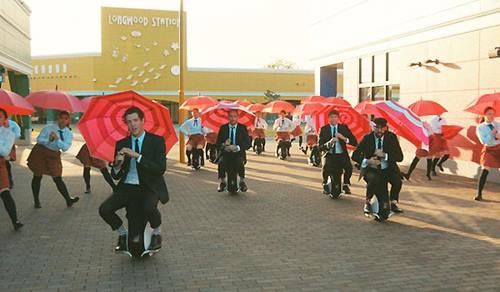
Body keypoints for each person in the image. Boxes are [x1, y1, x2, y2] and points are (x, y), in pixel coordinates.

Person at [99, 106, 169, 253]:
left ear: (143, 121)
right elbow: (116, 175)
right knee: (105, 209)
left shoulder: (156, 141)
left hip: (149, 186)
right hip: (127, 186)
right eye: (129, 122)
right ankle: (122, 234)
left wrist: (138, 156)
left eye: (136, 120)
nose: (133, 125)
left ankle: (156, 232)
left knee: (149, 207)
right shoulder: (121, 143)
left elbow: (160, 169)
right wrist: (117, 164)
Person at [352, 118, 404, 219]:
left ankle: (393, 202)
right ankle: (368, 201)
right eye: (377, 128)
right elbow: (355, 155)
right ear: (373, 127)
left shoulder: (392, 137)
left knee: (397, 181)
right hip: (371, 169)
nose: (379, 131)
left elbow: (400, 157)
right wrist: (368, 161)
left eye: (382, 128)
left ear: (386, 128)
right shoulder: (367, 138)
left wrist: (385, 155)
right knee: (374, 180)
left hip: (388, 168)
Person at [27, 111, 79, 208]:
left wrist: (57, 139)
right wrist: (48, 140)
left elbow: (65, 148)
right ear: (57, 119)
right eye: (61, 118)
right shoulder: (48, 128)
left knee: (57, 178)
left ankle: (68, 200)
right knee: (37, 176)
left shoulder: (68, 133)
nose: (63, 120)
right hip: (40, 152)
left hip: (54, 155)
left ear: (68, 120)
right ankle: (36, 201)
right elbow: (39, 140)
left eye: (66, 118)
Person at [318, 110, 357, 197]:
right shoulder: (324, 129)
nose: (333, 119)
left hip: (341, 154)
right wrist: (330, 143)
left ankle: (346, 184)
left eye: (335, 117)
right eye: (331, 117)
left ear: (338, 118)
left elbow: (354, 142)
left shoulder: (343, 128)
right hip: (329, 154)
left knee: (349, 167)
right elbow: (320, 147)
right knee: (326, 166)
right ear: (328, 118)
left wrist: (343, 138)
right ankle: (324, 183)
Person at [216, 109, 251, 192]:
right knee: (221, 162)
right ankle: (222, 182)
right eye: (231, 116)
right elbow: (218, 143)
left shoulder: (243, 128)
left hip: (238, 153)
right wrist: (224, 145)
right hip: (226, 153)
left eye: (235, 116)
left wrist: (237, 147)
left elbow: (247, 143)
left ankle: (242, 181)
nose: (233, 118)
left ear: (237, 117)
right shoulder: (223, 128)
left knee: (239, 162)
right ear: (228, 117)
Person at [0, 108, 23, 230]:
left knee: (5, 193)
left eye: (0, 117)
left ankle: (15, 221)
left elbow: (4, 151)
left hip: (0, 164)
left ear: (5, 119)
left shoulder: (8, 133)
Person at [474, 106, 499, 201]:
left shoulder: (498, 124)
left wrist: (498, 136)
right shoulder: (481, 127)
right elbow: (483, 141)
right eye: (489, 114)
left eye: (493, 114)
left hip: (499, 147)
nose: (492, 116)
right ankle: (479, 194)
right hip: (489, 149)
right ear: (484, 115)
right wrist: (491, 133)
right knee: (485, 169)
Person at [4, 116, 20, 189]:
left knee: (6, 163)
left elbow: (17, 134)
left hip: (7, 146)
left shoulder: (12, 124)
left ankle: (9, 181)